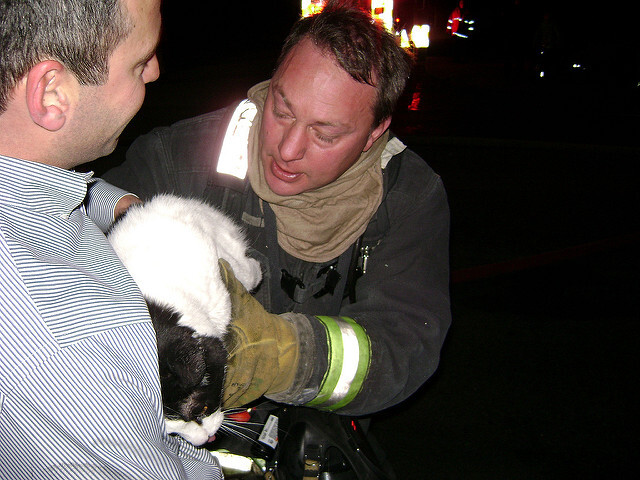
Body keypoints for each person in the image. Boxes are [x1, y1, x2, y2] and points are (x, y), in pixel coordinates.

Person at [104, 0, 451, 421]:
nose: (287, 150)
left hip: (313, 426)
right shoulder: (175, 158)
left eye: (325, 133)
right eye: (282, 110)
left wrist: (285, 358)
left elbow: (405, 344)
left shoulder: (407, 196)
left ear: (374, 132)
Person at [0, 0, 223, 478]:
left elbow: (39, 186)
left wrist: (120, 207)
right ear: (52, 92)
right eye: (140, 62)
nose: (156, 71)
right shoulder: (77, 352)